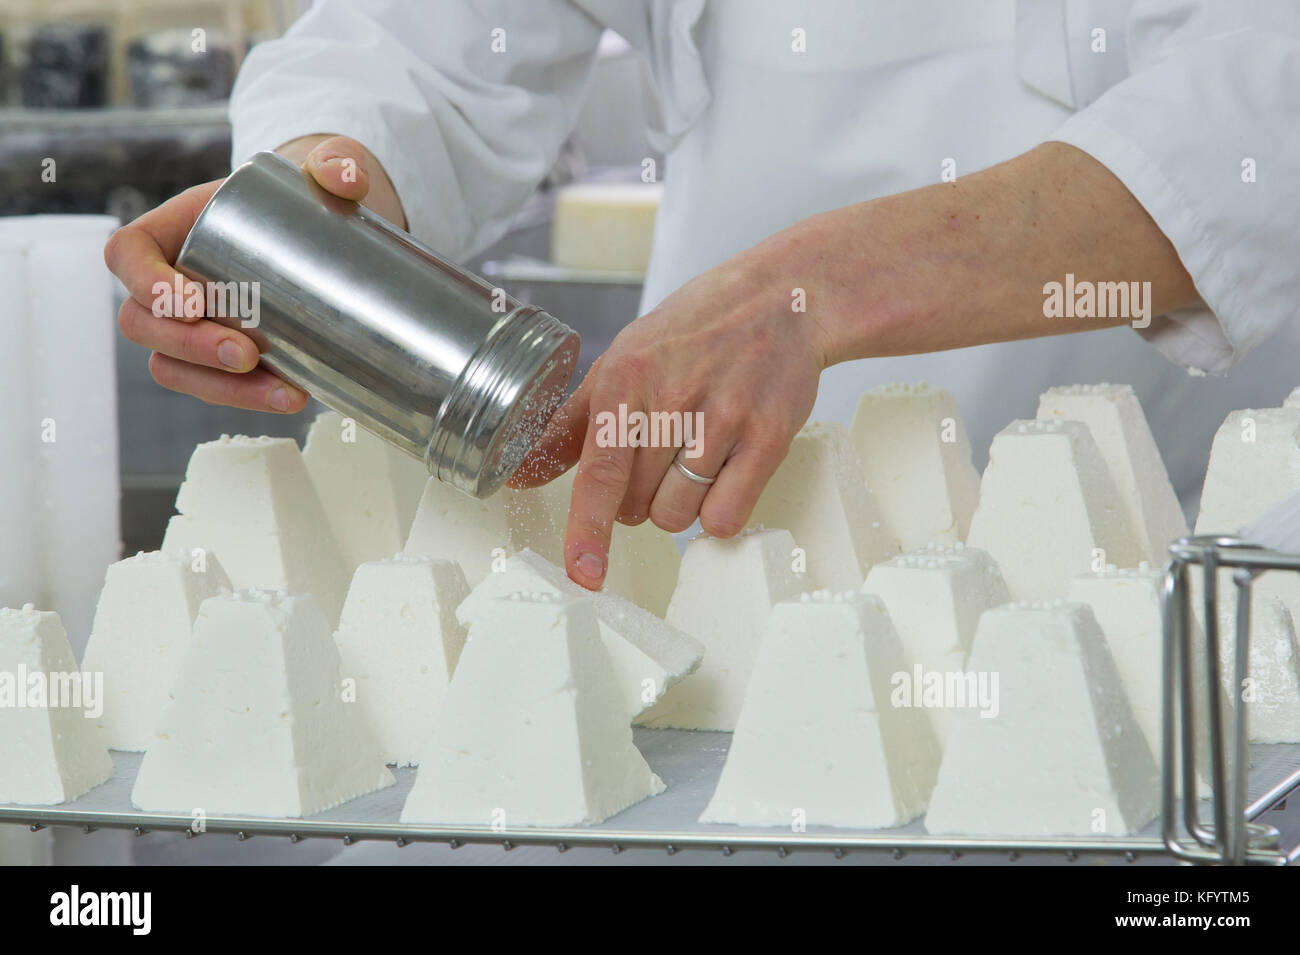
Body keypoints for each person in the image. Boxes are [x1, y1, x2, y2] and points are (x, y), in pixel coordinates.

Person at [106, 0, 1300, 594]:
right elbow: (425, 43)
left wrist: (819, 285)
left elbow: (1259, 121)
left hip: (1154, 579)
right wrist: (305, 211)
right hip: (719, 559)